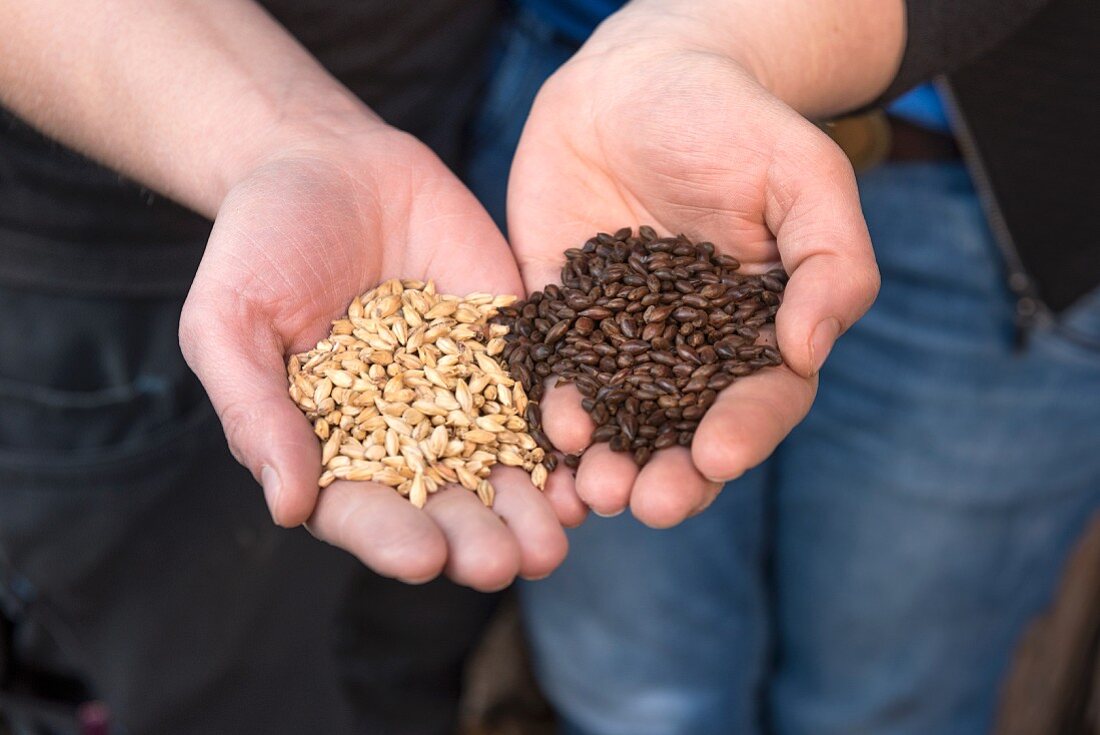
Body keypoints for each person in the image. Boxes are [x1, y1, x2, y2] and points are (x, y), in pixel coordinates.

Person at [464, 0, 1099, 733]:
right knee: (632, 683)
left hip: (1010, 193)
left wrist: (724, 35)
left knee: (888, 694)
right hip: (598, 133)